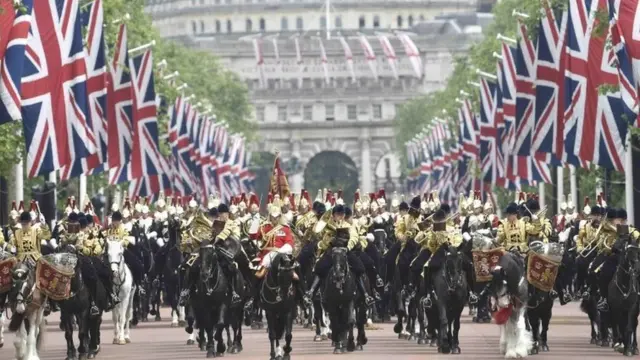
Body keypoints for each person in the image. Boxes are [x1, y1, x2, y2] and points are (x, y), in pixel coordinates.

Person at [305, 204, 375, 307]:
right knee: (320, 267)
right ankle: (311, 293)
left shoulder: (348, 225)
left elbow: (354, 237)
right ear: (333, 215)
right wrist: (328, 241)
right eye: (338, 214)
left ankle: (365, 295)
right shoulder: (327, 226)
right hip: (331, 251)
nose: (341, 216)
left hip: (345, 250)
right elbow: (322, 239)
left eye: (342, 214)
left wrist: (348, 247)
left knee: (359, 267)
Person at [420, 209, 477, 309]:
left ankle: (472, 292)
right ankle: (428, 295)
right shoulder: (434, 231)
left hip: (453, 253)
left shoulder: (452, 229)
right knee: (427, 267)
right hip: (439, 254)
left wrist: (451, 246)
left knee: (469, 265)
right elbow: (431, 246)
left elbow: (458, 239)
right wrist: (434, 236)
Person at [103, 211, 145, 295]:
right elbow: (105, 238)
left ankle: (139, 285)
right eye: (113, 221)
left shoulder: (123, 229)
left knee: (137, 264)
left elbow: (126, 239)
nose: (114, 223)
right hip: (111, 252)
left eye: (116, 221)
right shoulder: (109, 230)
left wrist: (121, 243)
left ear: (119, 221)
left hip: (121, 251)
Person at [345, 206, 383, 299]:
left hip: (354, 250)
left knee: (368, 262)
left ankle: (374, 286)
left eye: (348, 217)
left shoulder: (354, 224)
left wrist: (348, 247)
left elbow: (355, 237)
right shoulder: (340, 224)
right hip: (341, 251)